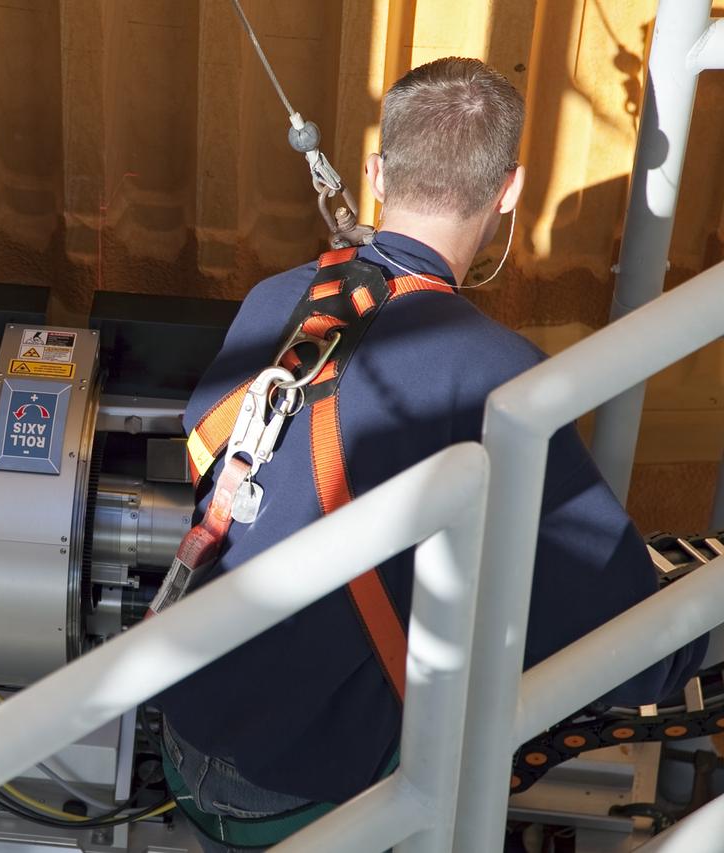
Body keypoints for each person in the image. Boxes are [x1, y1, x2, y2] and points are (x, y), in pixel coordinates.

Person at [154, 56, 707, 852]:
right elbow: (623, 639)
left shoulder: (274, 300)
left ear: (376, 171)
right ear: (510, 191)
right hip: (311, 789)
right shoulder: (500, 379)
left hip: (187, 731)